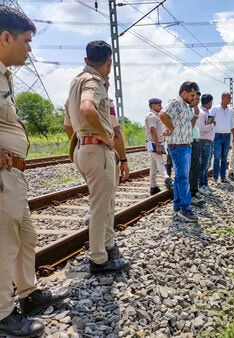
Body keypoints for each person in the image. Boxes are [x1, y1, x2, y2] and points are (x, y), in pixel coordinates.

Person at [0, 6, 70, 336]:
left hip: (12, 176)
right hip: (2, 177)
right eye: (27, 41)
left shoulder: (3, 74)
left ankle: (28, 294)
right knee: (4, 245)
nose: (29, 48)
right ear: (5, 37)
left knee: (24, 237)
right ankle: (3, 316)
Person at [66, 40, 131, 274]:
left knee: (103, 203)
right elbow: (87, 108)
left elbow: (67, 124)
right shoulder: (94, 82)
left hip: (83, 149)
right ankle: (98, 259)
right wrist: (103, 134)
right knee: (100, 207)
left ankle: (108, 245)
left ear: (86, 60)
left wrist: (81, 141)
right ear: (109, 62)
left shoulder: (75, 83)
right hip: (96, 149)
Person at [159, 81, 200, 222]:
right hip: (179, 146)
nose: (194, 98)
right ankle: (185, 209)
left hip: (184, 146)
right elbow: (163, 114)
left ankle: (177, 205)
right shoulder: (176, 102)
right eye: (192, 95)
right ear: (184, 93)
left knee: (179, 178)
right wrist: (170, 128)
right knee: (183, 178)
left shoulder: (184, 105)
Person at [144, 98, 172, 195]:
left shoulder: (157, 116)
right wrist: (157, 145)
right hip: (152, 143)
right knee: (160, 161)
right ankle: (167, 179)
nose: (161, 106)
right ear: (153, 105)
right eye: (159, 105)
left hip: (156, 142)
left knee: (154, 166)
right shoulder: (151, 116)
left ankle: (153, 187)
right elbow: (153, 131)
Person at [211, 92, 234, 183]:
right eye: (229, 97)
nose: (230, 99)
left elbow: (232, 123)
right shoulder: (215, 108)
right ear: (223, 98)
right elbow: (210, 121)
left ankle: (223, 177)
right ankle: (215, 177)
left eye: (230, 98)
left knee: (225, 158)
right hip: (217, 136)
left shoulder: (231, 110)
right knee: (217, 157)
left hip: (227, 136)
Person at [187, 93, 205, 207]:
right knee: (192, 168)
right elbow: (189, 127)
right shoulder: (187, 111)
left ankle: (194, 190)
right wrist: (196, 115)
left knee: (196, 167)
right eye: (197, 99)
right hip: (191, 142)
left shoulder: (191, 110)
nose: (198, 102)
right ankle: (191, 194)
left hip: (195, 141)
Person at [197, 94, 216, 195]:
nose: (212, 104)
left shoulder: (206, 112)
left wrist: (211, 124)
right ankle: (201, 185)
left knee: (207, 165)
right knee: (203, 165)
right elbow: (201, 128)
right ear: (208, 102)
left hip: (208, 141)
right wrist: (212, 125)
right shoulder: (202, 113)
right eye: (211, 102)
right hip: (204, 141)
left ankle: (205, 184)